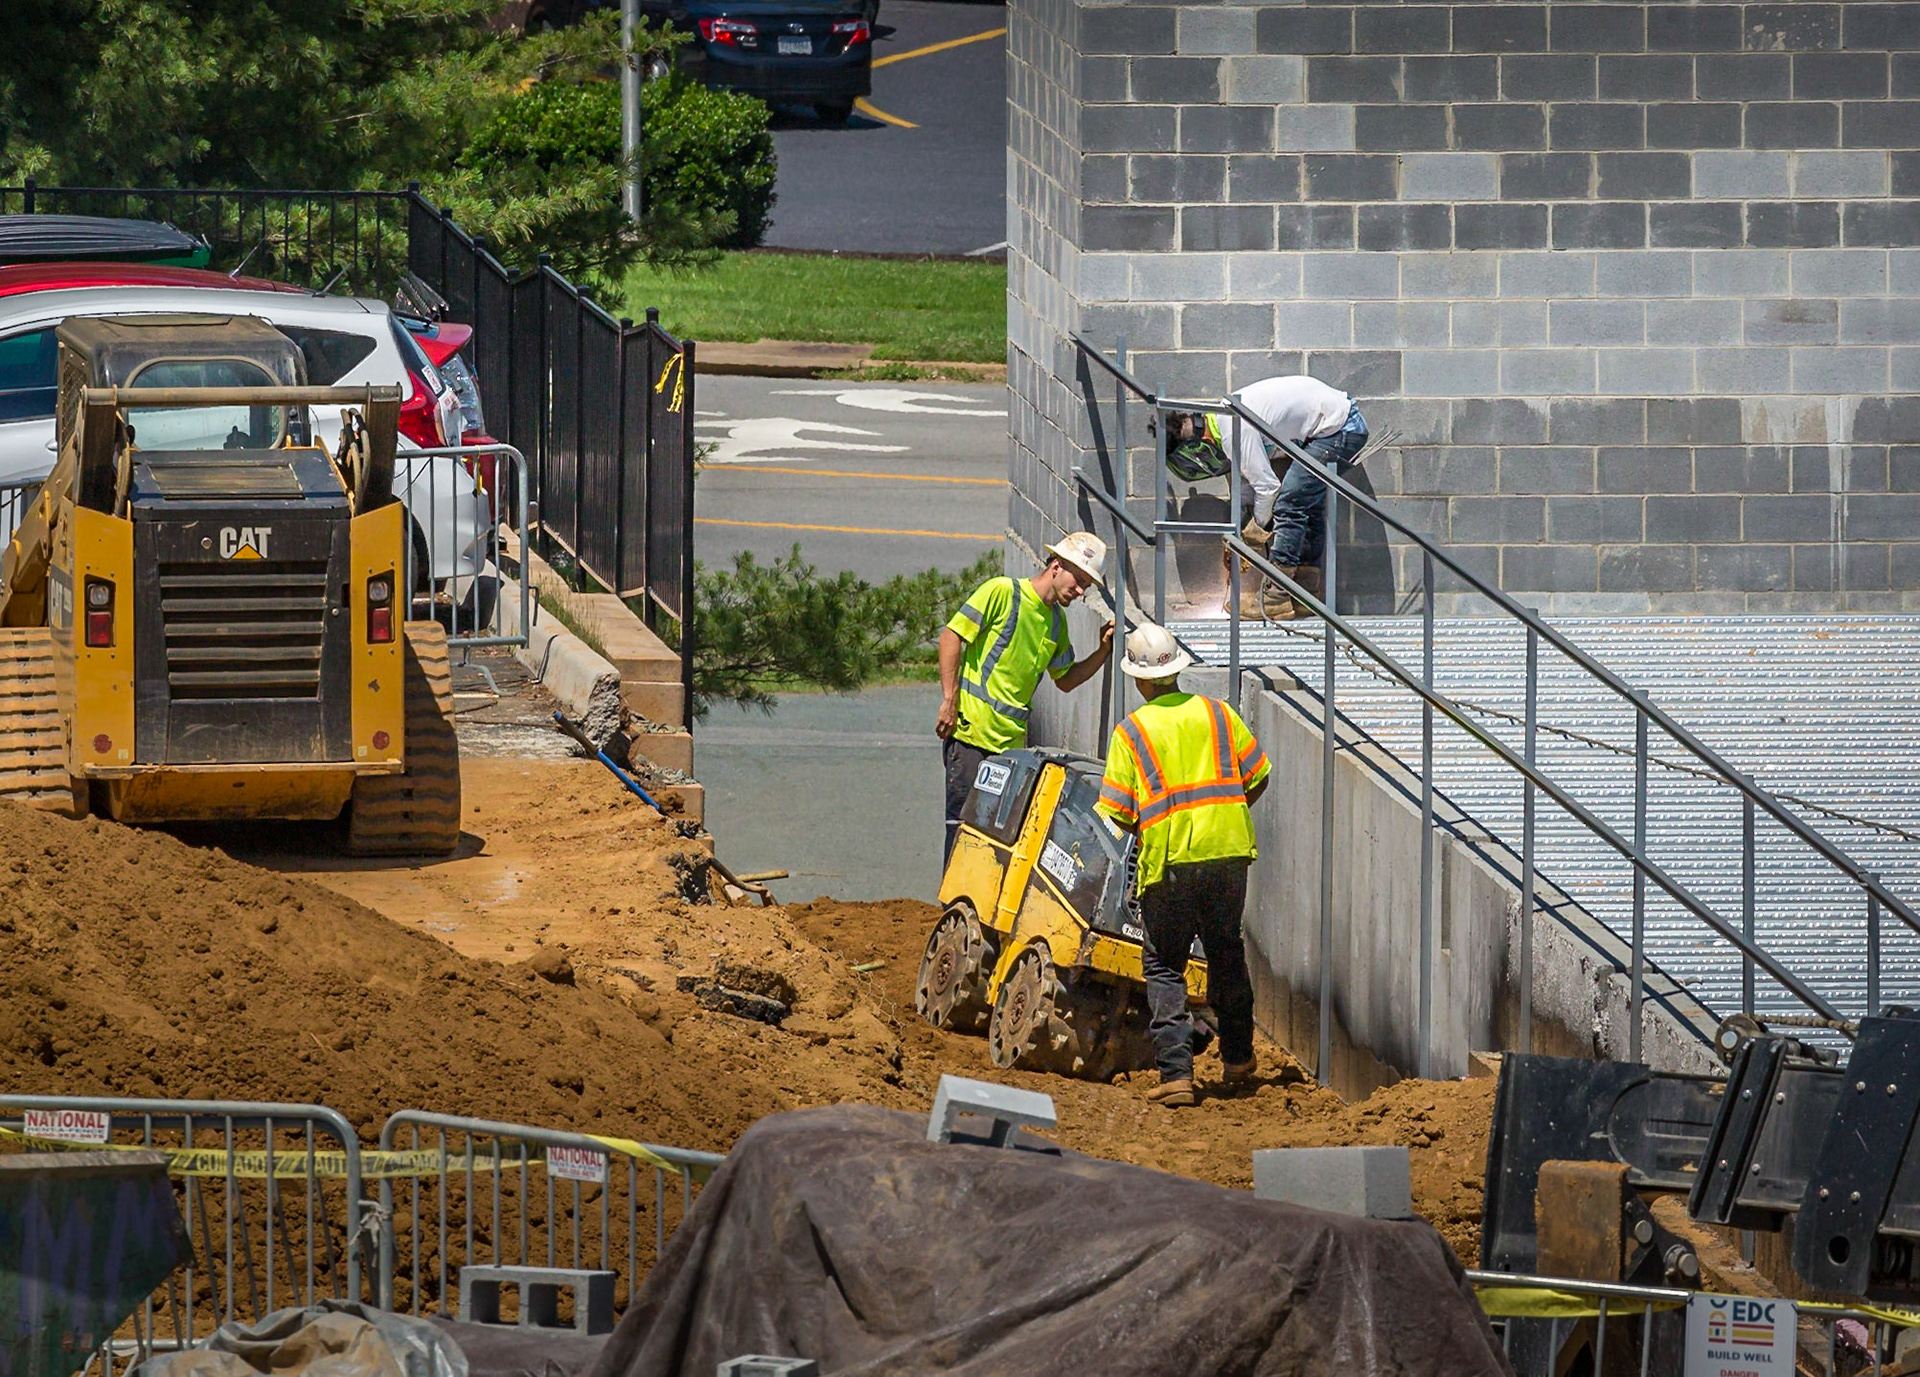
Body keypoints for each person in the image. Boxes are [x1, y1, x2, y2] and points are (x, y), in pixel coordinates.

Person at [1094, 621, 1270, 1109]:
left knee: (1165, 965)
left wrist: (1160, 828)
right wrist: (1223, 818)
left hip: (1170, 863)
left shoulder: (1132, 732)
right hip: (1230, 854)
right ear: (1176, 670)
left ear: (1139, 679)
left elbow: (1118, 812)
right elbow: (1258, 775)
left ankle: (1176, 1076)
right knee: (1225, 950)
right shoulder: (1219, 714)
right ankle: (1237, 1059)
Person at [937, 532, 1115, 859]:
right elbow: (951, 636)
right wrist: (949, 700)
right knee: (962, 833)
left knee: (997, 843)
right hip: (971, 737)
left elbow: (1066, 679)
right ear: (1057, 566)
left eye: (1086, 587)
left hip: (1010, 750)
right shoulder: (1002, 592)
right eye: (1078, 583)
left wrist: (1103, 651)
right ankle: (955, 909)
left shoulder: (1055, 624)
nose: (1079, 593)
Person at [1165, 375, 1368, 621]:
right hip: (1329, 426)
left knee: (1289, 502)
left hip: (1342, 428)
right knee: (1306, 502)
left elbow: (1268, 488)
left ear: (1197, 445)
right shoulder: (1222, 419)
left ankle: (1277, 597)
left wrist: (1254, 535)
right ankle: (1305, 593)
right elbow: (1247, 487)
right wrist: (1239, 536)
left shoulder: (1232, 431)